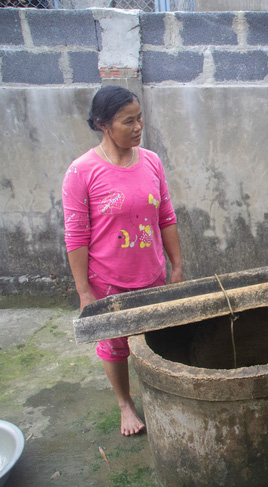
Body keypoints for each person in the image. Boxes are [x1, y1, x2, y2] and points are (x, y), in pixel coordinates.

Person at [62, 86, 183, 436]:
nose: (138, 126)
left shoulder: (151, 161)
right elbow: (76, 236)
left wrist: (175, 266)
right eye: (127, 121)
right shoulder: (81, 172)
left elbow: (166, 216)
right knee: (115, 345)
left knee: (159, 338)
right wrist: (84, 291)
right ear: (103, 124)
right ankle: (125, 404)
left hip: (151, 274)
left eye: (139, 117)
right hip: (109, 281)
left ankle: (159, 395)